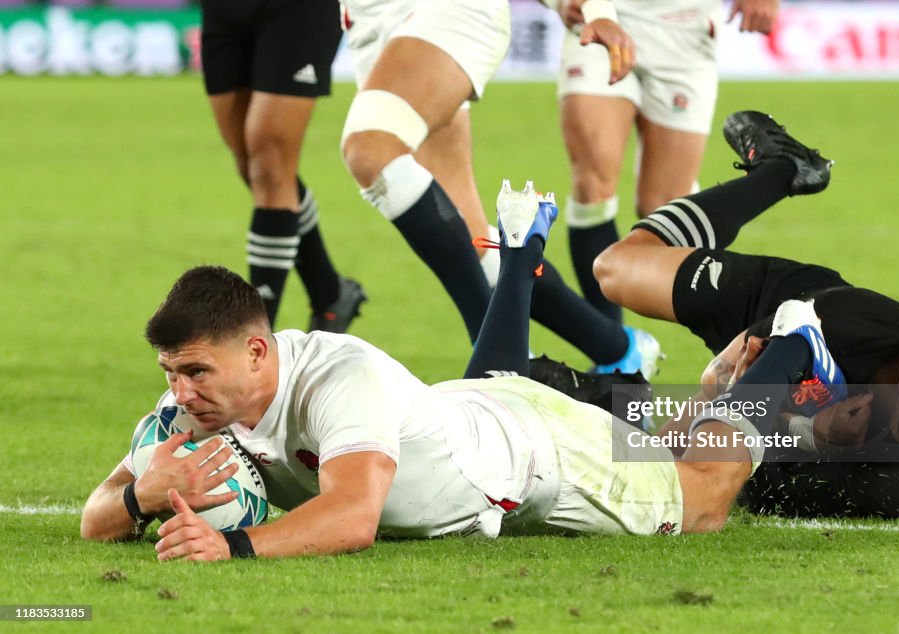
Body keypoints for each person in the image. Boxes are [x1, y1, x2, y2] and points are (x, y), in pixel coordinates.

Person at [80, 183, 760, 561]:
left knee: (704, 499)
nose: (180, 390)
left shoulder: (338, 376)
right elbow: (95, 515)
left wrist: (231, 547)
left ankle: (790, 353)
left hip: (545, 454)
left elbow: (352, 518)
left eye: (194, 371)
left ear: (257, 353)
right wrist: (140, 498)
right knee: (650, 428)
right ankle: (520, 256)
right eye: (170, 372)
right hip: (469, 405)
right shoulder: (196, 409)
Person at [591, 110, 899, 518]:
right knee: (615, 270)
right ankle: (780, 171)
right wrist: (797, 426)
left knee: (664, 466)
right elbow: (730, 381)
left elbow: (763, 492)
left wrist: (807, 437)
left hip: (785, 377)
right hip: (783, 304)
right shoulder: (855, 324)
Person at [337, 0, 661, 379]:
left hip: (446, 11)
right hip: (371, 23)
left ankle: (501, 366)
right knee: (476, 243)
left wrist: (595, 9)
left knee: (371, 151)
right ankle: (620, 351)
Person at [556, 0, 779, 323]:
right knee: (593, 183)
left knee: (663, 209)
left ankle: (740, 330)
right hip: (601, 16)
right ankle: (612, 348)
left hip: (685, 29)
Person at [200, 0, 365, 332]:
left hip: (296, 9)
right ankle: (329, 292)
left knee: (269, 166)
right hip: (223, 10)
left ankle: (253, 337)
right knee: (251, 164)